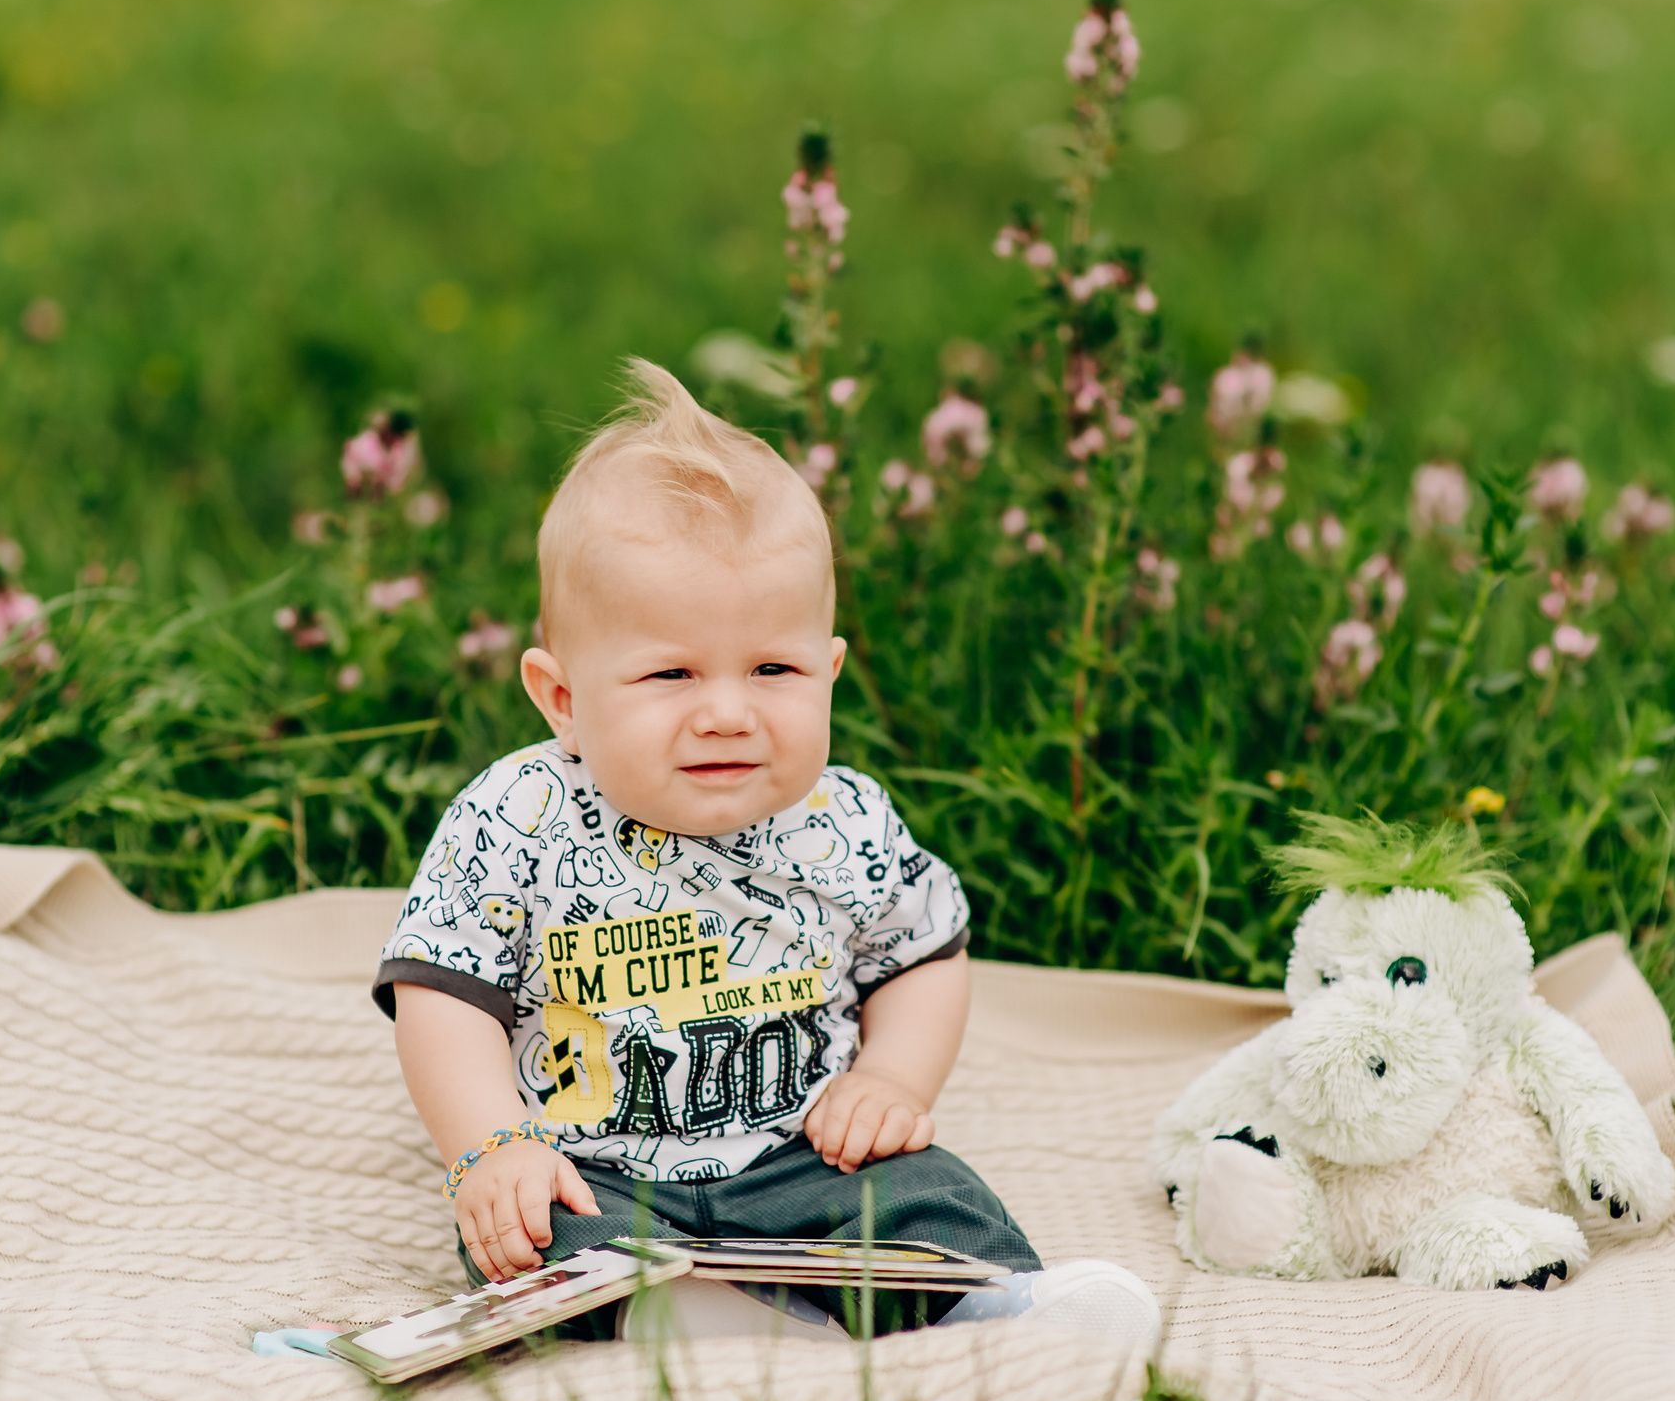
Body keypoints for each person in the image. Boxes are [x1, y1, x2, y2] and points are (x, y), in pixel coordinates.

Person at [376, 360, 1158, 1346]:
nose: (727, 712)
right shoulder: (516, 817)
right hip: (595, 1166)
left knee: (928, 1196)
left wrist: (890, 1082)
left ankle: (997, 1312)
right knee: (536, 1237)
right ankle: (679, 1312)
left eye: (773, 668)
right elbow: (445, 997)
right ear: (563, 698)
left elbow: (921, 955)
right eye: (672, 673)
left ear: (828, 670)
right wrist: (494, 1145)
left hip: (804, 1153)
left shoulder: (845, 819)